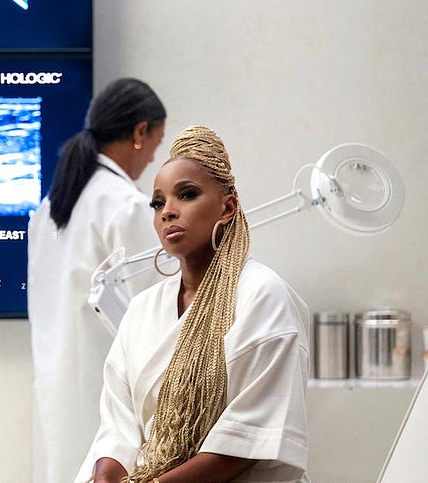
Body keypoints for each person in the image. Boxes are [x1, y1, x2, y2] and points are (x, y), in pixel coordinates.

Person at [81, 126, 311, 483]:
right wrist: (106, 477)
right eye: (158, 202)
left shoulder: (261, 296)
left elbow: (247, 439)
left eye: (186, 195)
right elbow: (116, 426)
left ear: (228, 206)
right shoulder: (142, 310)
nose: (167, 212)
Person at [27, 78, 167, 483]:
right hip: (105, 394)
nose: (154, 156)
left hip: (57, 388)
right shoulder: (124, 206)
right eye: (157, 142)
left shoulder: (50, 208)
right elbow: (155, 310)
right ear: (140, 132)